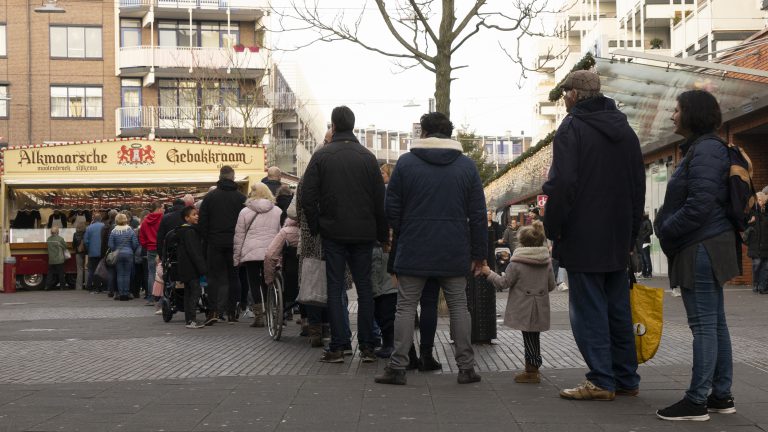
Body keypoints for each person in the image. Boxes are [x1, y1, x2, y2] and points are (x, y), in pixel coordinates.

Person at [542, 70, 644, 401]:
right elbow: (637, 185)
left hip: (583, 234)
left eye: (565, 93)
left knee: (588, 310)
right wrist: (630, 234)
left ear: (574, 94)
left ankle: (601, 380)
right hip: (617, 235)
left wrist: (553, 228)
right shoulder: (625, 129)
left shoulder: (572, 127)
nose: (564, 100)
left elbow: (562, 184)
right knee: (618, 308)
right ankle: (625, 376)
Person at [375, 111, 485, 386]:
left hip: (414, 247)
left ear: (422, 133)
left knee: (405, 307)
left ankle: (397, 367)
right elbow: (478, 213)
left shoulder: (406, 163)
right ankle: (466, 367)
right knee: (460, 306)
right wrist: (479, 254)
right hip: (454, 248)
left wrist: (407, 228)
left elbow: (392, 207)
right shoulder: (466, 166)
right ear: (450, 134)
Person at [654, 90, 738, 421]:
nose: (672, 116)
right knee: (715, 323)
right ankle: (720, 395)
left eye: (677, 110)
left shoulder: (705, 150)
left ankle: (697, 400)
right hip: (709, 243)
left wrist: (666, 228)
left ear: (692, 114)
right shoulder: (706, 149)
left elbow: (700, 204)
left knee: (704, 324)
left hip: (701, 245)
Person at [301, 106, 387, 363]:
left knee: (335, 287)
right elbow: (378, 199)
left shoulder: (322, 156)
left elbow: (308, 196)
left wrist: (317, 226)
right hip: (364, 233)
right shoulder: (368, 157)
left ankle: (339, 346)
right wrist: (382, 235)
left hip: (333, 232)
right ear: (353, 125)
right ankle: (368, 346)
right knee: (365, 289)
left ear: (334, 126)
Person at [481, 221, 555, 383]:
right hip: (540, 305)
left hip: (524, 305)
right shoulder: (546, 262)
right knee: (533, 335)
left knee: (528, 336)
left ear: (521, 242)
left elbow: (503, 283)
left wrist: (488, 273)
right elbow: (551, 286)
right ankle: (532, 366)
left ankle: (532, 370)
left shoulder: (516, 263)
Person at [199, 166, 246, 325]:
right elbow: (244, 223)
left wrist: (208, 239)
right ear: (233, 178)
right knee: (234, 277)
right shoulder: (240, 198)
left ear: (219, 177)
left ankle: (213, 311)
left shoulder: (210, 197)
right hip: (234, 243)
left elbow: (202, 223)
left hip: (214, 243)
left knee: (214, 277)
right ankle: (232, 312)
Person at [233, 182, 282, 327]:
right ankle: (272, 312)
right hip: (270, 251)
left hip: (251, 252)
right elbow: (281, 233)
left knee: (253, 283)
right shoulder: (277, 211)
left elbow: (239, 236)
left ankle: (259, 315)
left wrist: (237, 257)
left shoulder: (244, 212)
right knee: (269, 281)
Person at [176, 206, 207, 329]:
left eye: (197, 214)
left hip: (185, 267)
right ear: (186, 218)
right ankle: (192, 320)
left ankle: (189, 319)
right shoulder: (190, 232)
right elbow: (195, 252)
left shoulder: (182, 231)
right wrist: (203, 268)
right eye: (194, 214)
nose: (197, 216)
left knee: (188, 294)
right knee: (195, 292)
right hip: (192, 268)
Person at [108, 213, 139, 301]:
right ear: (126, 220)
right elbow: (135, 244)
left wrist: (115, 250)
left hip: (118, 254)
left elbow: (110, 244)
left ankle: (121, 294)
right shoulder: (130, 230)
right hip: (129, 254)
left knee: (120, 274)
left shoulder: (114, 231)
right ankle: (126, 293)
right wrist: (131, 250)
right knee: (127, 274)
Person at [139, 202, 164, 305]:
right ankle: (160, 297)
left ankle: (150, 298)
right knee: (162, 273)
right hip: (161, 248)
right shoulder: (163, 219)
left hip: (150, 249)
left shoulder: (145, 221)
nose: (163, 209)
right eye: (162, 208)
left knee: (151, 273)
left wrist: (148, 245)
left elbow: (142, 238)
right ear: (158, 208)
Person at [744, 192, 768, 294]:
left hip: (766, 244)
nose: (759, 201)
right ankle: (756, 284)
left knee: (766, 267)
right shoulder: (752, 213)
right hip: (755, 244)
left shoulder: (766, 213)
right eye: (757, 199)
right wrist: (749, 222)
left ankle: (763, 286)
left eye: (760, 199)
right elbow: (744, 225)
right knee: (757, 265)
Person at [84, 214, 105, 293]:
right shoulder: (104, 226)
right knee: (102, 269)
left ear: (94, 219)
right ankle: (100, 286)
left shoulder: (89, 228)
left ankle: (89, 286)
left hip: (92, 252)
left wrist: (89, 248)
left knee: (92, 270)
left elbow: (86, 241)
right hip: (102, 252)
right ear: (101, 219)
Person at [72, 221, 87, 290]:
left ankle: (79, 287)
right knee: (87, 269)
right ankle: (87, 285)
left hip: (78, 253)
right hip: (86, 253)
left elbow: (73, 245)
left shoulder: (75, 234)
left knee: (79, 269)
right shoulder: (86, 233)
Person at [638, 212, 654, 279]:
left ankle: (649, 273)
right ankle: (644, 273)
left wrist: (644, 237)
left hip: (646, 242)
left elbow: (650, 231)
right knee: (643, 259)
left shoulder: (647, 221)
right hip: (641, 242)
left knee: (646, 258)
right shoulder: (641, 222)